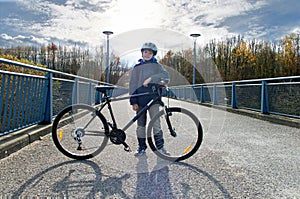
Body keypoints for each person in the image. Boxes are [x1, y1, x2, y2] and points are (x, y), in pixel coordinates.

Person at [129, 42, 170, 156]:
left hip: (153, 99)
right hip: (140, 99)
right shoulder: (137, 68)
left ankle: (160, 148)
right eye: (145, 52)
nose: (147, 54)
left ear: (153, 54)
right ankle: (141, 147)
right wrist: (133, 101)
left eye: (150, 52)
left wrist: (152, 78)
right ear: (142, 53)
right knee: (141, 125)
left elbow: (166, 76)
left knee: (156, 124)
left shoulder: (157, 66)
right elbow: (132, 85)